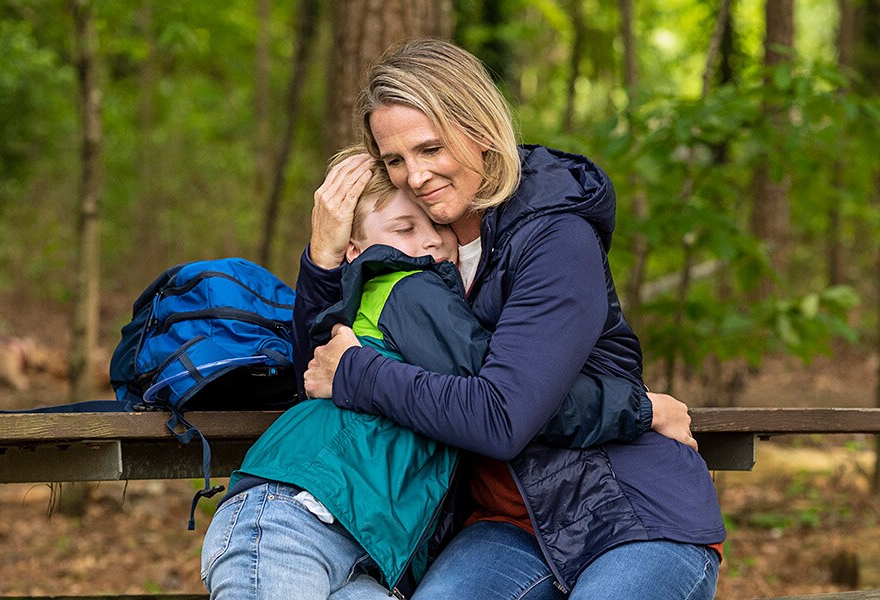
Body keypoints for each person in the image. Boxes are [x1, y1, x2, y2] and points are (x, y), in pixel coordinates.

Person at [302, 39, 725, 600]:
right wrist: (323, 258)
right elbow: (312, 376)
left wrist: (358, 374)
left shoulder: (555, 238)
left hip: (630, 513)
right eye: (395, 161)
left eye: (431, 149)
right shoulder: (420, 249)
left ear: (479, 129)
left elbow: (501, 418)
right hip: (504, 525)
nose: (417, 176)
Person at [201, 153, 662, 600]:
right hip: (298, 520)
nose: (431, 242)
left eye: (437, 227)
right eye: (405, 229)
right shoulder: (408, 287)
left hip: (359, 547)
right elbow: (505, 399)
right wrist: (639, 407)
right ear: (357, 250)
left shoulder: (379, 302)